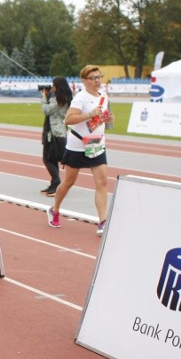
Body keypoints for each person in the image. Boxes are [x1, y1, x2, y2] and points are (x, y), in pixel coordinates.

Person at [47, 64, 114, 236]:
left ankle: (102, 222)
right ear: (84, 80)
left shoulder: (104, 97)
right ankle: (54, 209)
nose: (97, 81)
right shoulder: (80, 98)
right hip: (78, 146)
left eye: (99, 77)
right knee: (68, 182)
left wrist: (107, 118)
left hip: (97, 145)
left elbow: (104, 120)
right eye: (93, 78)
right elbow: (68, 120)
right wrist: (89, 115)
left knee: (102, 182)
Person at [39, 76, 72, 196]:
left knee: (47, 159)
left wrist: (43, 97)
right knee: (52, 158)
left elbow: (46, 110)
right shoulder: (66, 98)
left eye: (53, 85)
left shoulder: (58, 99)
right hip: (59, 131)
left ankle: (57, 183)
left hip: (53, 133)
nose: (52, 87)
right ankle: (54, 183)